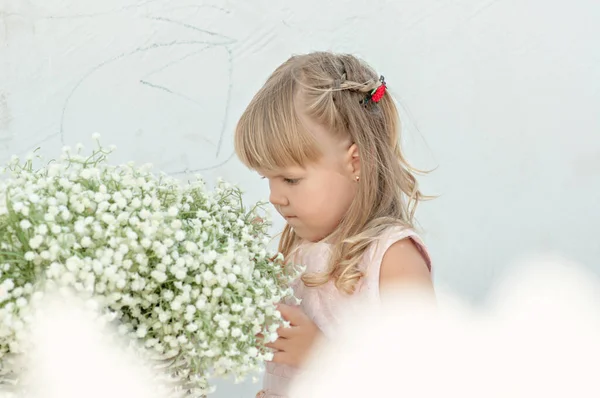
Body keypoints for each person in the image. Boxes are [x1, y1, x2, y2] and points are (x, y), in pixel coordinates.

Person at [234, 51, 434, 398]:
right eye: (267, 179)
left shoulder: (392, 260)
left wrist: (324, 357)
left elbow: (427, 378)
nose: (274, 197)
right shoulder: (296, 256)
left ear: (354, 162)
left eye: (291, 180)